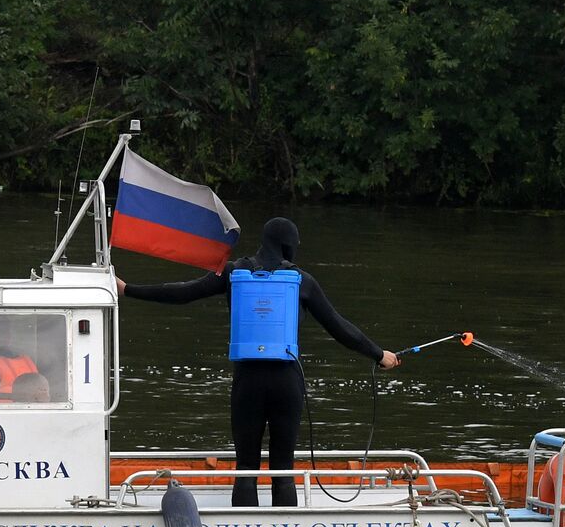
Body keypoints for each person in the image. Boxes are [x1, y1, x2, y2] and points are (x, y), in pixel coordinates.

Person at [120, 217, 399, 507]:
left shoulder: (232, 273)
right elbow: (339, 327)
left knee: (246, 468)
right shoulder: (301, 281)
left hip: (248, 382)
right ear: (289, 245)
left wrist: (129, 289)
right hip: (287, 382)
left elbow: (181, 292)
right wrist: (379, 355)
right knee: (283, 469)